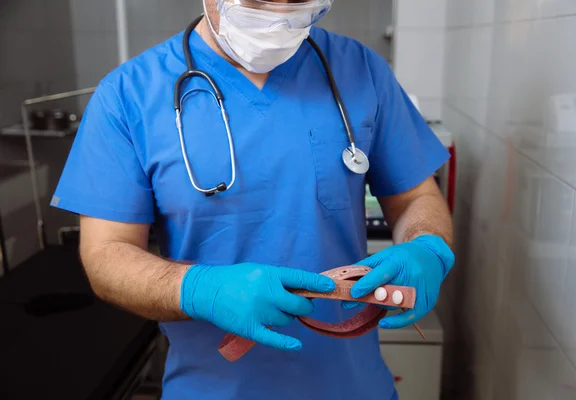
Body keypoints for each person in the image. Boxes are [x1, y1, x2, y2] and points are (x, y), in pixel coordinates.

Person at [51, 0, 455, 399]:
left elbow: (417, 196)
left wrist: (427, 247)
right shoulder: (128, 95)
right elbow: (105, 254)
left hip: (356, 386)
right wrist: (199, 289)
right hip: (212, 389)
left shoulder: (360, 71)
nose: (278, 12)